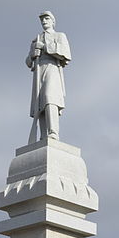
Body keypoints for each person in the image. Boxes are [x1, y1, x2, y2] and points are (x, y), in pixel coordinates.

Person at [26, 11, 71, 141]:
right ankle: (43, 135)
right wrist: (33, 54)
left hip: (52, 68)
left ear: (52, 21)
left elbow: (66, 53)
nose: (44, 21)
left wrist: (45, 47)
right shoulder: (36, 39)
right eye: (42, 19)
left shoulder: (59, 36)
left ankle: (53, 132)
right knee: (39, 103)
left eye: (46, 18)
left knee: (50, 98)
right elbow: (28, 62)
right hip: (39, 71)